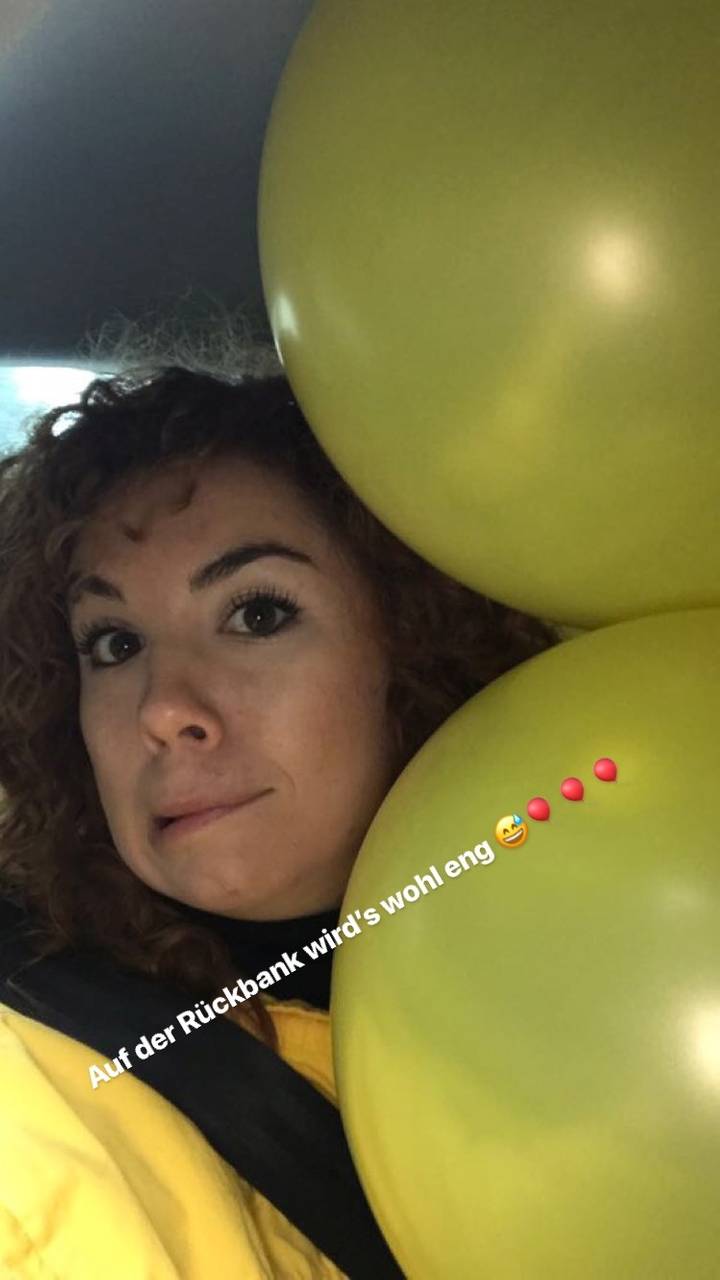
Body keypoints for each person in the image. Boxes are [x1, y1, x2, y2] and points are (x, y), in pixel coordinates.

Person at [0, 360, 559, 1278]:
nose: (162, 708)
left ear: (414, 648)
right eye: (115, 643)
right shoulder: (34, 1078)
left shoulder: (581, 981)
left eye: (257, 615)